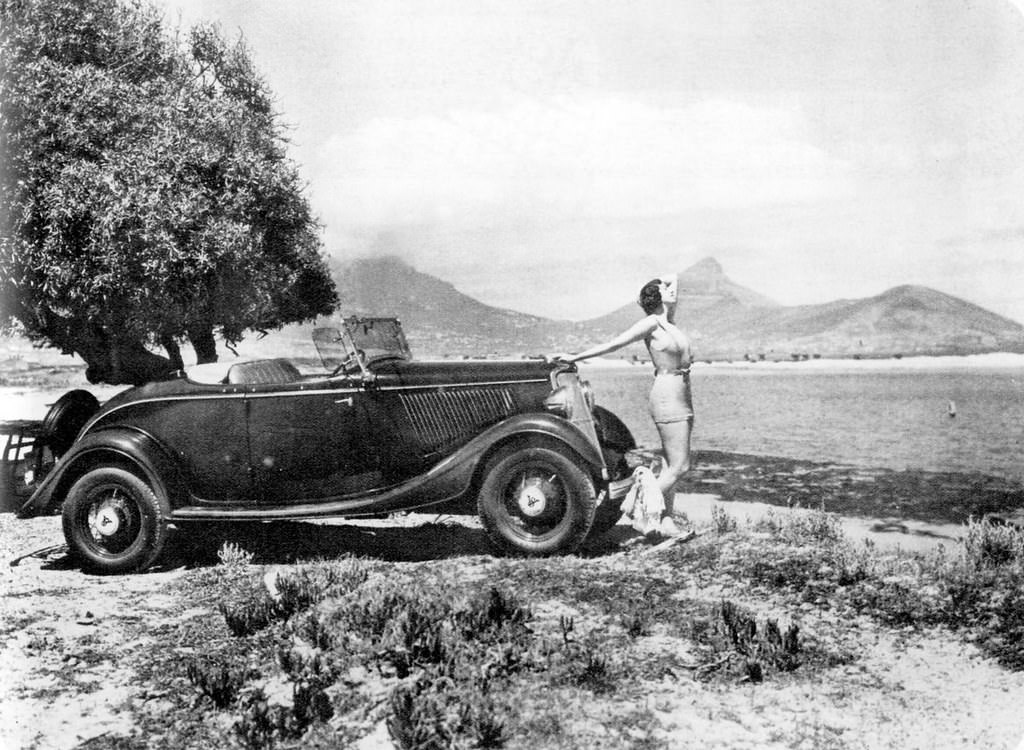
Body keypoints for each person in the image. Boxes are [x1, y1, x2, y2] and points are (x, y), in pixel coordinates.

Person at [554, 275, 693, 534]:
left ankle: (666, 522)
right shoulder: (651, 323)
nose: (673, 290)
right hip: (667, 394)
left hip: (683, 395)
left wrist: (665, 284)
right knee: (681, 466)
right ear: (659, 297)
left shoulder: (670, 323)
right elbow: (615, 343)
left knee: (668, 463)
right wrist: (576, 357)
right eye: (666, 289)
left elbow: (674, 280)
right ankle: (635, 506)